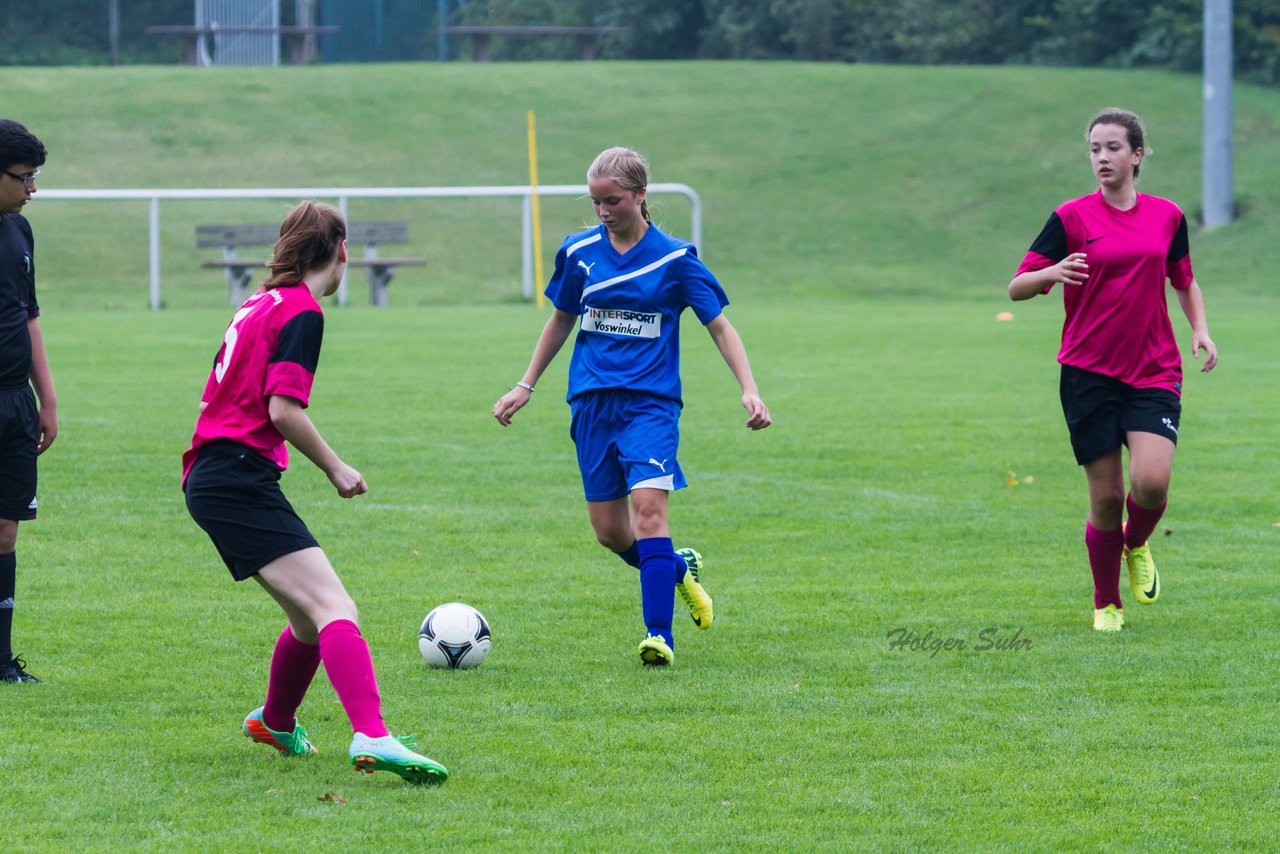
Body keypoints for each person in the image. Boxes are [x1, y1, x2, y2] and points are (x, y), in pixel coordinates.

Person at [183, 201, 446, 782]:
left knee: (307, 620)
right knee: (335, 608)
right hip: (234, 476)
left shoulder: (258, 302)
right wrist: (335, 467)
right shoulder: (302, 311)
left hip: (217, 473)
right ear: (342, 251)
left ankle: (276, 721)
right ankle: (374, 736)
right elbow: (282, 410)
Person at [492, 147, 771, 666]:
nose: (602, 210)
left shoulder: (675, 259)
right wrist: (524, 385)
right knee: (611, 533)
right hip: (592, 406)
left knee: (648, 513)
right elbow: (561, 319)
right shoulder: (578, 254)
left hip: (651, 408)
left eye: (612, 200)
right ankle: (675, 570)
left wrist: (748, 388)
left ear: (641, 197)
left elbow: (720, 326)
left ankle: (658, 635)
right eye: (596, 201)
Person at [1007, 108, 1218, 633]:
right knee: (1105, 499)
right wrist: (1050, 272)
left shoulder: (1167, 216)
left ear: (1137, 154)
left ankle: (1137, 542)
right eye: (1095, 149)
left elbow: (1184, 280)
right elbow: (1017, 286)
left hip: (1153, 368)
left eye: (1113, 148)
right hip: (1088, 372)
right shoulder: (1071, 218)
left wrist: (1200, 330)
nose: (1102, 158)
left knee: (1150, 483)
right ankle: (1107, 604)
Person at [0, 119, 56, 685]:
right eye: (24, 177)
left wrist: (48, 398)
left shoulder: (20, 233)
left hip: (16, 401)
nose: (32, 189)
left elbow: (28, 316)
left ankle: (0, 661)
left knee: (5, 532)